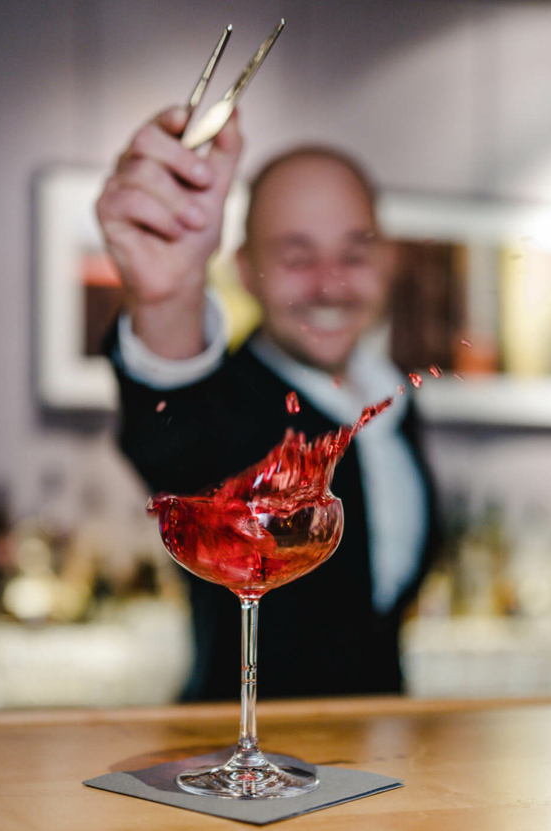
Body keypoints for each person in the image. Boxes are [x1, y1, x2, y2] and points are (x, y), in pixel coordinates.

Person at [96, 106, 439, 700]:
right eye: (296, 256)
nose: (330, 283)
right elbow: (172, 433)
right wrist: (166, 300)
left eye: (354, 254)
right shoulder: (229, 406)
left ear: (385, 263)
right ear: (246, 272)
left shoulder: (392, 401)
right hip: (239, 767)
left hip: (379, 763)